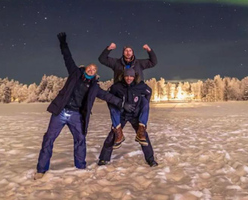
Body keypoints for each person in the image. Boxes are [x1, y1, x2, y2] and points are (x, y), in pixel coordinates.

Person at [34, 33, 135, 180]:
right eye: (90, 68)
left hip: (76, 115)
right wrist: (63, 43)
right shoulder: (75, 73)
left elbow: (107, 96)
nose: (92, 70)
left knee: (80, 140)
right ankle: (41, 169)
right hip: (60, 112)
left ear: (95, 75)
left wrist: (122, 104)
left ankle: (80, 166)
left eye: (95, 70)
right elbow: (67, 58)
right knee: (48, 139)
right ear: (86, 69)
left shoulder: (94, 87)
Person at [98, 68, 158, 167]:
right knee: (113, 135)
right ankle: (103, 159)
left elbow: (149, 92)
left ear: (134, 77)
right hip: (122, 115)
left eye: (131, 76)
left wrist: (141, 105)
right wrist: (120, 107)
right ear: (123, 76)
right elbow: (109, 99)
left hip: (135, 115)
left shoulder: (140, 85)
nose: (129, 78)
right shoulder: (117, 87)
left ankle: (150, 159)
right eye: (127, 76)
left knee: (143, 136)